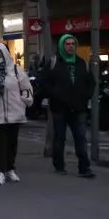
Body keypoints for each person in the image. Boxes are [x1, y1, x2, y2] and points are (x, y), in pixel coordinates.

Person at [40, 34, 96, 178]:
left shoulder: (82, 63)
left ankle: (84, 168)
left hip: (78, 108)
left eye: (73, 44)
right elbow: (44, 82)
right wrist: (55, 94)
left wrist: (85, 96)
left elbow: (91, 82)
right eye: (67, 44)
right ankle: (59, 165)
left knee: (81, 137)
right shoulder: (54, 62)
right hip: (59, 108)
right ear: (61, 46)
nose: (71, 46)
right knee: (59, 137)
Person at [0, 43, 33, 186]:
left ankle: (10, 169)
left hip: (14, 113)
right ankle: (1, 171)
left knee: (12, 143)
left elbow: (26, 87)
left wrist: (24, 101)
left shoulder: (16, 70)